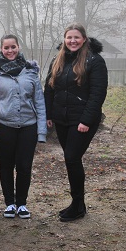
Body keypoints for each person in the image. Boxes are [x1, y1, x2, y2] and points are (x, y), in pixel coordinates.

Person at [44, 23, 108, 222]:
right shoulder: (57, 59)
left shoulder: (94, 61)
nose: (72, 41)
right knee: (71, 159)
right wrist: (48, 114)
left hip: (82, 120)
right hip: (61, 118)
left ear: (84, 39)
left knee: (72, 157)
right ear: (64, 39)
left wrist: (86, 120)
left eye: (76, 37)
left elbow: (98, 94)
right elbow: (49, 89)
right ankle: (77, 204)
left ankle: (78, 205)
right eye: (69, 37)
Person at [0, 34, 47, 219]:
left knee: (25, 166)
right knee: (6, 165)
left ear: (18, 47)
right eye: (6, 48)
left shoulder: (30, 72)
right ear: (1, 49)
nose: (10, 51)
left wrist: (41, 131)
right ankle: (9, 203)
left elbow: (40, 102)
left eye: (13, 47)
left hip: (29, 126)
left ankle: (22, 204)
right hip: (4, 126)